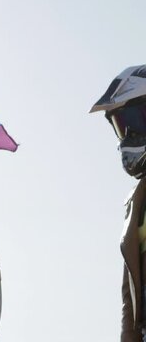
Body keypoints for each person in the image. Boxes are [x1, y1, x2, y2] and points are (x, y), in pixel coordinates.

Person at [91, 65, 146, 342]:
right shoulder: (136, 203)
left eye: (134, 120)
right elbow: (131, 301)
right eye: (121, 125)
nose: (128, 134)